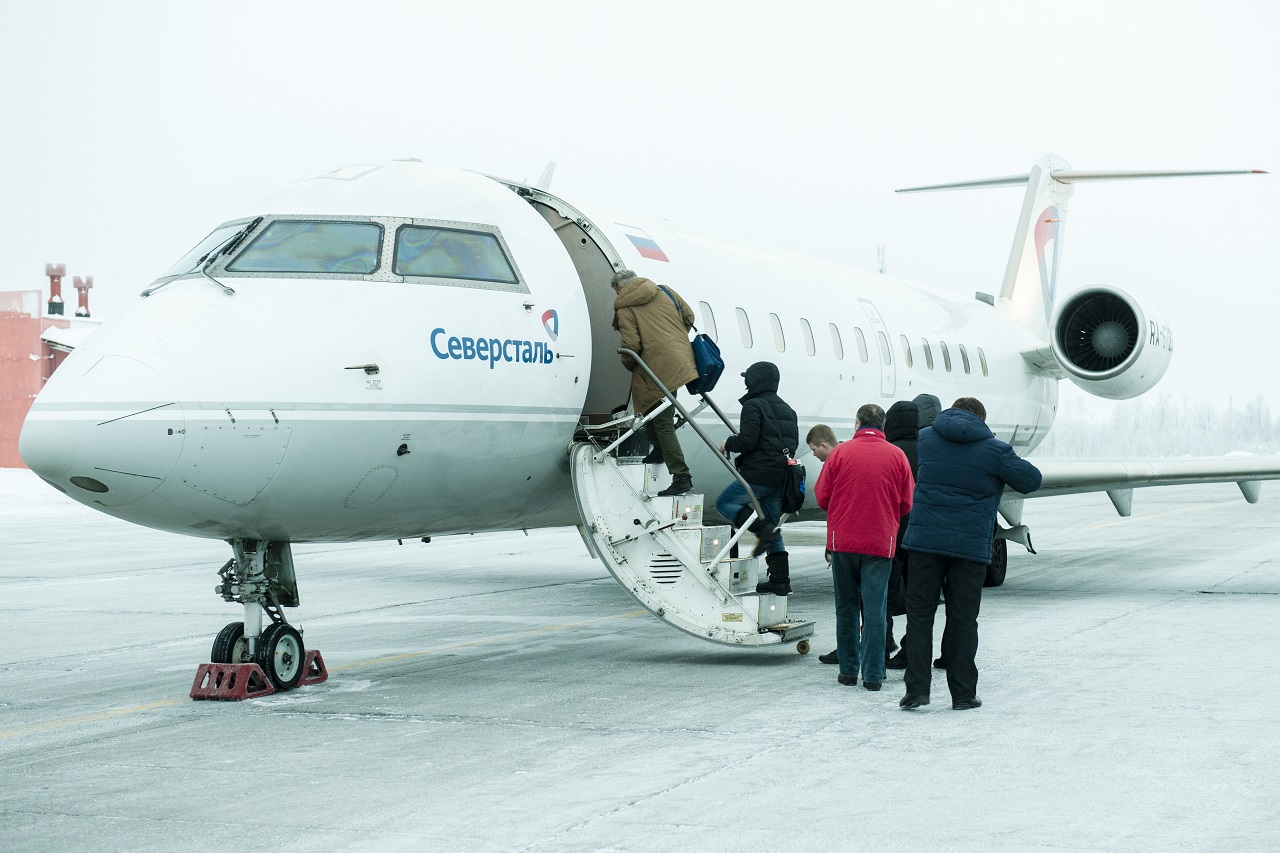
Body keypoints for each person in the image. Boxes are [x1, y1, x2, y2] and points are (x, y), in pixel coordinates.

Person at [899, 397, 1042, 711]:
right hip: (969, 549)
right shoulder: (994, 450)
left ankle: (916, 691)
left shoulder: (924, 440)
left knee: (920, 617)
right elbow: (1032, 480)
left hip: (924, 543)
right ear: (981, 419)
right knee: (964, 620)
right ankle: (963, 694)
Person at [813, 403, 914, 691]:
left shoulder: (840, 453)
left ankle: (847, 670)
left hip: (843, 542)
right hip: (880, 543)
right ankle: (872, 674)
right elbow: (907, 503)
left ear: (857, 424)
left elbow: (822, 497)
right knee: (875, 609)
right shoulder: (897, 456)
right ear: (883, 427)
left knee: (845, 607)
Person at [611, 270, 697, 497]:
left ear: (619, 289)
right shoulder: (665, 291)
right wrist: (673, 343)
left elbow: (631, 344)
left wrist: (629, 363)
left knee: (662, 422)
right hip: (681, 360)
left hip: (655, 368)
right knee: (655, 409)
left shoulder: (624, 307)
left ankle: (681, 476)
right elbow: (689, 317)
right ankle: (658, 449)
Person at [715, 361, 799, 592]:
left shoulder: (753, 405)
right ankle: (781, 581)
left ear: (754, 381)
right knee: (773, 523)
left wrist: (729, 442)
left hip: (759, 475)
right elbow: (794, 444)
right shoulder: (788, 409)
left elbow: (747, 440)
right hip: (781, 477)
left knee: (724, 503)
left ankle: (763, 531)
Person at [883, 399, 920, 669]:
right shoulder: (928, 450)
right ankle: (910, 652)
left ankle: (881, 645)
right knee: (919, 600)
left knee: (884, 595)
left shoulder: (888, 452)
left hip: (891, 534)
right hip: (921, 537)